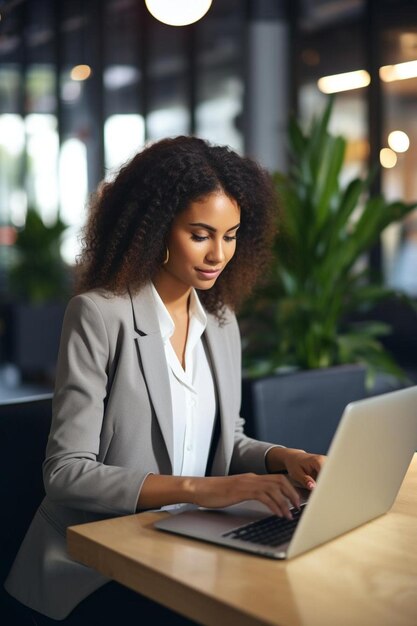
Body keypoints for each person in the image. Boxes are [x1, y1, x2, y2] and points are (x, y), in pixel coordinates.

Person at [4, 136, 325, 624]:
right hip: (99, 565)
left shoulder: (220, 323)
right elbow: (66, 472)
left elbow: (226, 440)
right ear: (153, 230)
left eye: (232, 235)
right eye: (200, 235)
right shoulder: (98, 315)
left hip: (189, 542)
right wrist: (200, 490)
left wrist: (285, 458)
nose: (219, 254)